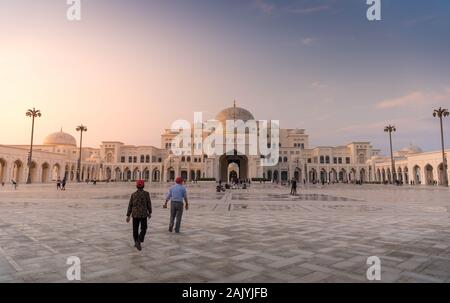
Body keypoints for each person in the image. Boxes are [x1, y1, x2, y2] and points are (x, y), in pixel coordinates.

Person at [126, 179, 152, 251]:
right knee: (144, 228)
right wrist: (149, 212)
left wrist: (128, 215)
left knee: (135, 229)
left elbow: (130, 205)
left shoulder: (133, 194)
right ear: (143, 186)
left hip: (135, 214)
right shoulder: (146, 194)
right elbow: (148, 204)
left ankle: (136, 242)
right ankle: (139, 240)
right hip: (143, 214)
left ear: (136, 186)